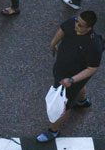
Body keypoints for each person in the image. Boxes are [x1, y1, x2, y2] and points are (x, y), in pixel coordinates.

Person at [39, 10, 101, 142]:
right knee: (76, 90)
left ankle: (53, 130)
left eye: (80, 25)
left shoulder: (94, 45)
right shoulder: (72, 22)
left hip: (73, 77)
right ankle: (82, 101)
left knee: (63, 104)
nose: (76, 25)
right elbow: (62, 29)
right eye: (76, 21)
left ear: (89, 28)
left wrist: (72, 80)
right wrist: (53, 43)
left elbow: (92, 68)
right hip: (62, 70)